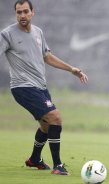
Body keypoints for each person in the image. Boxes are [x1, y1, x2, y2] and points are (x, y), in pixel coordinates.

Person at [0, 0, 88, 175]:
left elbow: (47, 56)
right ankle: (58, 166)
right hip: (22, 87)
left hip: (40, 87)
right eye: (19, 12)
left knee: (46, 126)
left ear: (33, 12)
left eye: (25, 11)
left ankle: (34, 159)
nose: (22, 16)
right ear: (16, 14)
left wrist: (71, 69)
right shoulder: (6, 34)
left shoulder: (38, 32)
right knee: (55, 118)